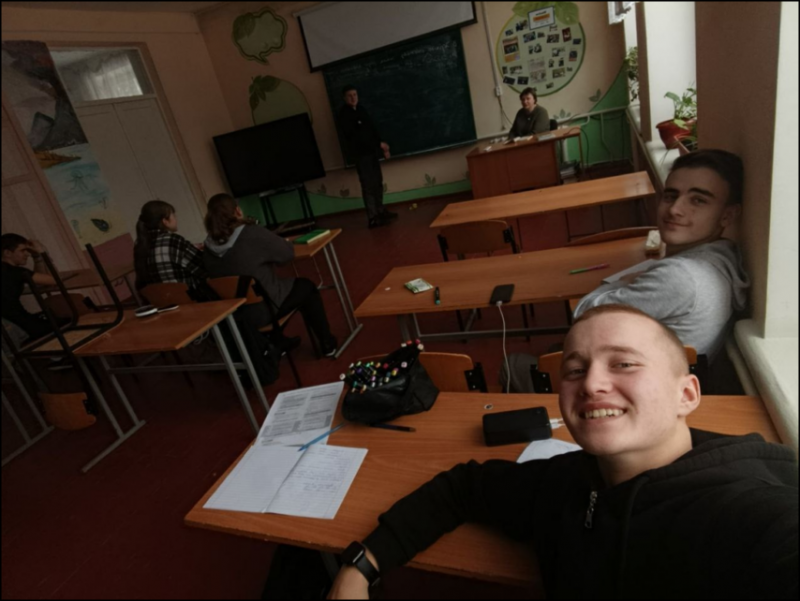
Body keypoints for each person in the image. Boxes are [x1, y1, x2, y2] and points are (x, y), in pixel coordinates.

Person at [328, 305, 798, 599]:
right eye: (574, 370)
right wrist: (359, 568)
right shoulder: (570, 480)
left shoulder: (750, 514)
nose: (591, 383)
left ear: (687, 394)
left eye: (624, 363)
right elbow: (464, 487)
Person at [504, 149, 750, 392]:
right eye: (670, 195)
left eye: (698, 200)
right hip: (656, 371)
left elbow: (584, 313)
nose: (675, 209)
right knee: (557, 348)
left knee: (511, 363)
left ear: (728, 214)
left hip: (630, 388)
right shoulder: (724, 255)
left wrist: (622, 282)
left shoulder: (681, 278)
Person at [202, 193, 338, 357]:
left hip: (236, 316)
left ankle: (278, 341)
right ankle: (327, 343)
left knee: (274, 289)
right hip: (264, 310)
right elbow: (287, 254)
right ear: (237, 211)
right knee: (307, 287)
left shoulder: (208, 247)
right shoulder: (251, 233)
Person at [338, 85, 397, 229]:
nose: (353, 98)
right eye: (350, 95)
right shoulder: (344, 115)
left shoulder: (361, 110)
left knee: (377, 182)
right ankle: (372, 217)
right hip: (361, 155)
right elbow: (358, 137)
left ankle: (380, 210)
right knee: (368, 185)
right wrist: (378, 144)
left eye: (355, 94)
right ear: (344, 98)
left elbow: (371, 129)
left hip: (371, 153)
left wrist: (382, 145)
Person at [133, 200, 208, 298]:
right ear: (165, 221)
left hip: (164, 302)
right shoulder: (173, 241)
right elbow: (203, 269)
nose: (176, 218)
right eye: (174, 215)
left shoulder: (142, 245)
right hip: (190, 299)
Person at [2, 233, 58, 341]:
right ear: (7, 253)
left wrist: (37, 258)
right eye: (22, 250)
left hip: (9, 328)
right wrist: (42, 252)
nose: (27, 254)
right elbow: (53, 280)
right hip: (21, 326)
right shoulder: (16, 272)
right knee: (67, 320)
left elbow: (40, 281)